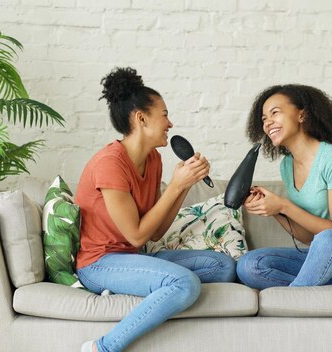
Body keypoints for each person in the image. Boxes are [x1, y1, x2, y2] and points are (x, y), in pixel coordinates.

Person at [76, 67, 236, 352]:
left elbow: (155, 232)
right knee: (185, 284)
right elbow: (137, 235)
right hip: (99, 263)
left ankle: (140, 283)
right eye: (164, 114)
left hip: (134, 257)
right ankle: (102, 348)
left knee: (223, 266)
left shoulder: (154, 161)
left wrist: (185, 184)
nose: (170, 123)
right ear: (141, 118)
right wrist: (175, 186)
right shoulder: (110, 163)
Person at [236, 84, 332, 289]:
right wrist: (273, 210)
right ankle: (320, 286)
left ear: (302, 115)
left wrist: (283, 206)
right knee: (250, 264)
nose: (267, 122)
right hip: (323, 256)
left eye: (275, 113)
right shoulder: (287, 166)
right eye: (264, 119)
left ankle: (294, 300)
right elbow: (308, 237)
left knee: (328, 239)